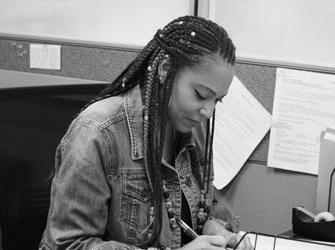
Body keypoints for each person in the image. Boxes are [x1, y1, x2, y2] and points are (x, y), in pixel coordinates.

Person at [39, 15, 253, 250]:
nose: (208, 111)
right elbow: (68, 245)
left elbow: (203, 203)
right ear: (165, 70)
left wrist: (214, 226)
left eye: (218, 101)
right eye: (201, 95)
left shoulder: (195, 127)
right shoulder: (96, 133)